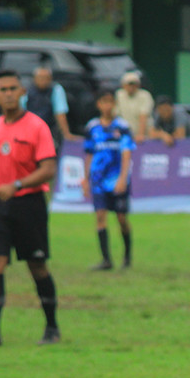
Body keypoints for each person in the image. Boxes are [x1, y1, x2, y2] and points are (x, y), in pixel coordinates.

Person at [0, 69, 60, 347]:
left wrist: (17, 185)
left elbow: (49, 169)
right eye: (3, 89)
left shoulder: (37, 126)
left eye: (13, 88)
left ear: (23, 93)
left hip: (28, 204)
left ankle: (52, 328)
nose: (8, 93)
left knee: (37, 265)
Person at [83, 89, 136, 270]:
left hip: (117, 180)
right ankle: (106, 260)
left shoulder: (122, 127)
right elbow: (89, 154)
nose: (107, 105)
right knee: (100, 217)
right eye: (103, 102)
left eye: (110, 102)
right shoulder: (92, 128)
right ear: (98, 105)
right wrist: (85, 178)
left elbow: (126, 154)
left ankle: (127, 256)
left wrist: (123, 178)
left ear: (114, 104)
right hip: (98, 180)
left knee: (121, 218)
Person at [20, 66, 76, 147]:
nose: (43, 80)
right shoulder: (26, 91)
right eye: (40, 77)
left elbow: (60, 114)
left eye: (46, 78)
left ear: (50, 78)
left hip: (49, 129)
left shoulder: (56, 90)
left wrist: (66, 134)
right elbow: (21, 112)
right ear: (34, 79)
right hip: (29, 129)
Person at [114, 71, 153, 142]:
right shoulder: (119, 95)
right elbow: (115, 116)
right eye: (129, 84)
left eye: (134, 84)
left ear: (138, 85)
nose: (131, 87)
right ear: (123, 85)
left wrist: (140, 135)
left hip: (144, 136)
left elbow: (143, 116)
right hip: (124, 135)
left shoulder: (145, 95)